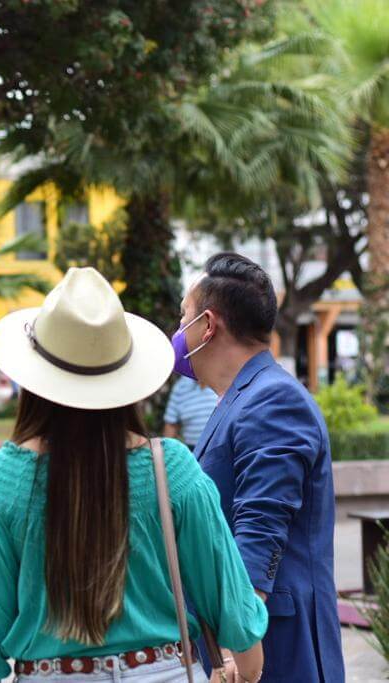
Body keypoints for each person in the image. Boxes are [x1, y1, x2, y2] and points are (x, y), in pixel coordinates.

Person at [0, 267, 267, 682]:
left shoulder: (1, 479)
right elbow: (232, 607)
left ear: (34, 377)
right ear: (125, 376)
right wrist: (245, 672)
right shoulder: (170, 468)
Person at [172, 253, 343, 682]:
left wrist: (235, 651)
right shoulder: (243, 397)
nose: (178, 332)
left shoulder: (273, 401)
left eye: (183, 317)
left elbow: (260, 528)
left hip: (274, 649)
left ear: (207, 325)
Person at [163, 376, 219, 451]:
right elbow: (171, 424)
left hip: (220, 449)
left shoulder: (222, 379)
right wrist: (167, 451)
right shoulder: (181, 386)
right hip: (192, 452)